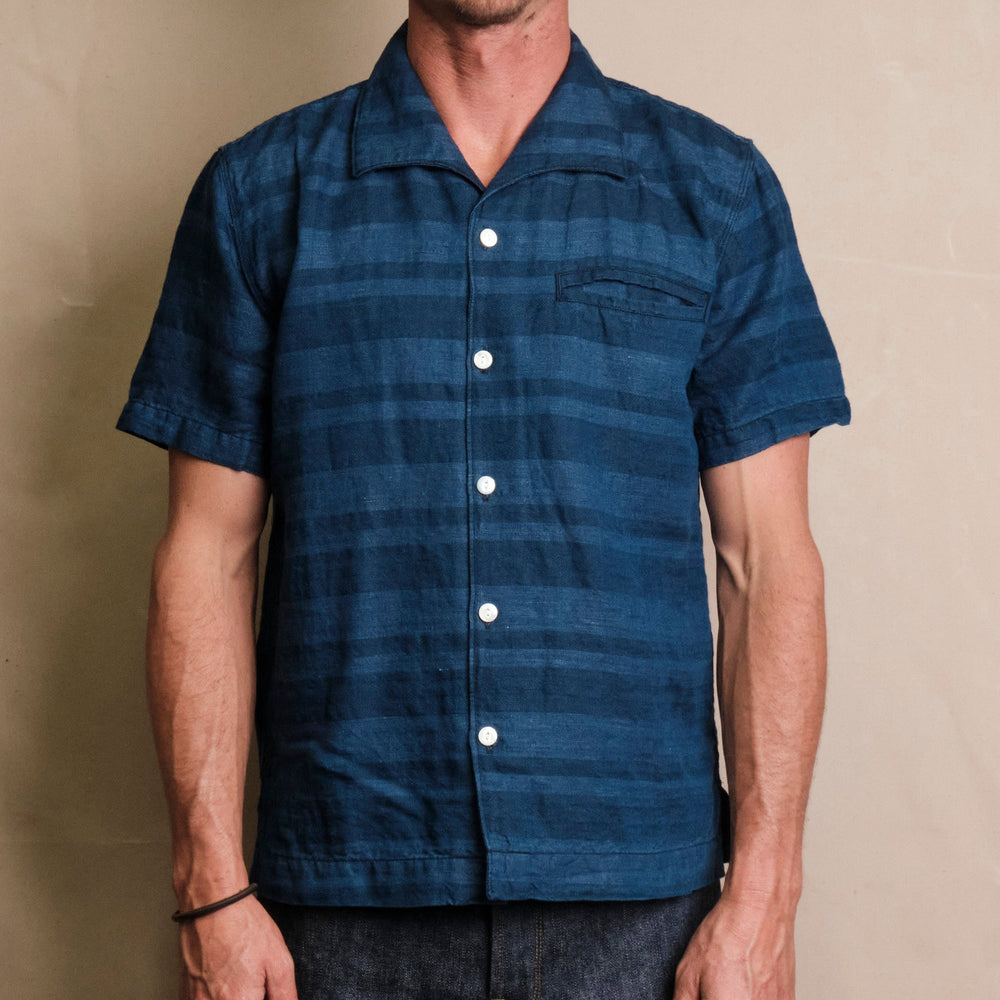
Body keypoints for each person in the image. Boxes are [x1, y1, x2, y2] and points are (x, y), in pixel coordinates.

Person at [117, 1, 850, 997]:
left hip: (643, 919)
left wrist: (767, 893)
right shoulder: (260, 193)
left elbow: (766, 563)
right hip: (340, 908)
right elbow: (206, 558)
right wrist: (209, 890)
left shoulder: (715, 189)